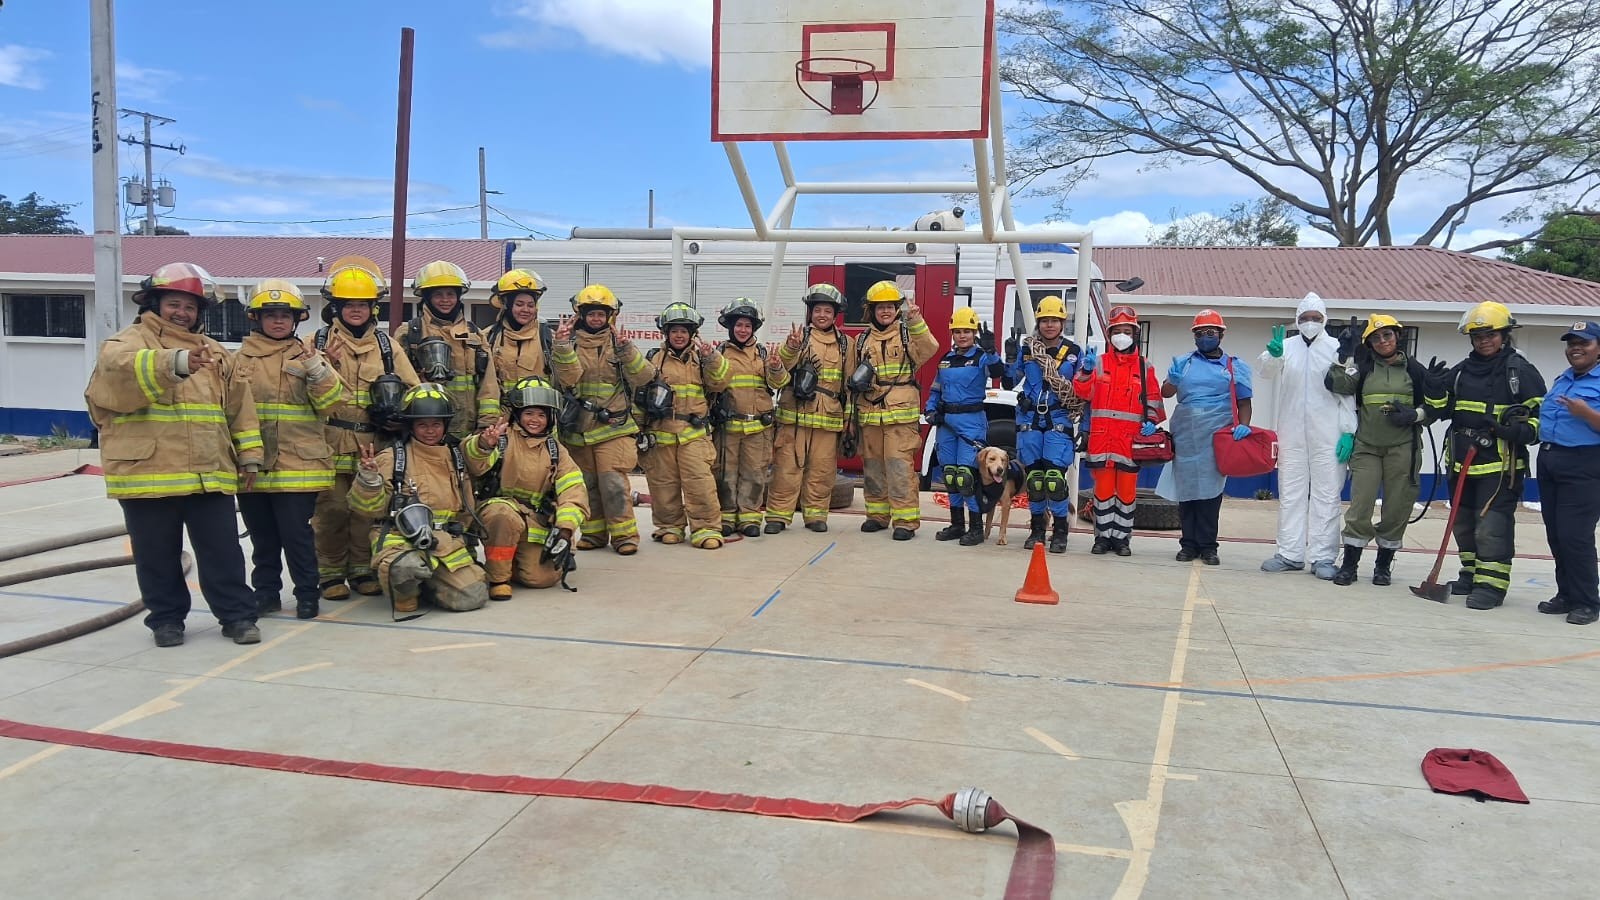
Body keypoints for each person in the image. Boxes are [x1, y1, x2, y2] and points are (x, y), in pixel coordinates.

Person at [84, 262, 264, 647]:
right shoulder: (125, 343)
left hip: (208, 471)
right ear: (155, 302)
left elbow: (238, 407)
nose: (183, 313)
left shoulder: (215, 353)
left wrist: (249, 455)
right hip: (148, 472)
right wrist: (175, 362)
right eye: (175, 303)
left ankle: (237, 617)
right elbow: (117, 372)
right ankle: (166, 621)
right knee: (156, 555)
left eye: (191, 307)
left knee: (224, 552)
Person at [235, 280, 349, 620]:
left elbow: (332, 405)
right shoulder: (236, 360)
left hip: (298, 464)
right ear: (257, 318)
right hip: (252, 464)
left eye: (285, 314)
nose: (278, 321)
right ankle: (266, 593)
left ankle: (307, 595)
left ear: (296, 319)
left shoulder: (311, 357)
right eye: (270, 315)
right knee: (262, 539)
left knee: (297, 537)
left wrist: (318, 369)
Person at [309, 257, 420, 602]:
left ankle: (360, 570)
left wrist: (400, 416)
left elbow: (412, 388)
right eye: (348, 305)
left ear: (373, 308)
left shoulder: (388, 347)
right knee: (330, 511)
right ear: (336, 307)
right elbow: (300, 390)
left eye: (362, 305)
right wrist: (323, 362)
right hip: (328, 440)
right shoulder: (317, 339)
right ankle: (329, 574)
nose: (355, 311)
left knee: (365, 511)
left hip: (373, 444)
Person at [1423, 301, 1546, 611]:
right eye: (1478, 336)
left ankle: (1491, 586)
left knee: (1491, 526)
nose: (1484, 341)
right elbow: (1438, 410)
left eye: (1490, 335)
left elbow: (1541, 421)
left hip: (1501, 467)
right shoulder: (1461, 372)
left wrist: (1511, 432)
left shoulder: (1521, 372)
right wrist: (1434, 388)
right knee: (1463, 525)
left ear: (1504, 336)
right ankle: (1472, 574)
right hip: (1461, 463)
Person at [347, 384, 489, 613]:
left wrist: (485, 444)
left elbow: (477, 458)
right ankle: (406, 591)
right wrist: (369, 478)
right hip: (400, 539)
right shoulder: (392, 458)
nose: (430, 431)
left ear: (445, 425)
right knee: (405, 570)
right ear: (411, 426)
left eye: (436, 424)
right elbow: (367, 508)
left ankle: (431, 585)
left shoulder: (456, 457)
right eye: (422, 425)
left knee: (473, 598)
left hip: (445, 540)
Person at [1324, 314, 1431, 586]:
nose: (1383, 341)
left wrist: (1414, 415)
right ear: (1369, 343)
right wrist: (1344, 354)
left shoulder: (1414, 370)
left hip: (1402, 449)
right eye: (1376, 337)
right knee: (1360, 508)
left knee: (1397, 508)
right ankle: (1349, 565)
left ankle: (1383, 566)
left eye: (1387, 335)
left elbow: (1436, 408)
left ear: (1398, 336)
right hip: (1367, 447)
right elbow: (1337, 384)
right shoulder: (1363, 367)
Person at [550, 284, 655, 554]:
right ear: (581, 315)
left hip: (614, 428)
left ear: (610, 316)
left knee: (612, 483)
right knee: (587, 484)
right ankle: (594, 534)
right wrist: (561, 347)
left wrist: (628, 352)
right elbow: (568, 379)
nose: (596, 319)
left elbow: (645, 377)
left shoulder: (620, 345)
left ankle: (624, 537)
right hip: (578, 429)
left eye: (601, 314)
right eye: (591, 314)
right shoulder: (568, 343)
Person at [1257, 293, 1355, 579]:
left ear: (1324, 320)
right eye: (1304, 318)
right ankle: (1289, 553)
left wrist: (1348, 432)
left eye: (1315, 318)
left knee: (1327, 495)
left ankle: (1323, 557)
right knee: (1291, 494)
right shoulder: (1285, 346)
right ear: (1297, 320)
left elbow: (1347, 394)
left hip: (1329, 434)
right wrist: (1273, 356)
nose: (1310, 323)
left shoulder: (1337, 349)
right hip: (1292, 435)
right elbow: (1265, 372)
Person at [467, 377, 588, 600]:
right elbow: (472, 461)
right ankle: (498, 579)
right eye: (529, 413)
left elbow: (574, 490)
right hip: (499, 511)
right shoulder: (501, 438)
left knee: (539, 579)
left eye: (541, 415)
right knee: (502, 515)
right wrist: (484, 445)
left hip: (534, 520)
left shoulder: (555, 449)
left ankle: (513, 559)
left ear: (550, 418)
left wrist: (565, 529)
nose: (535, 420)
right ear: (518, 414)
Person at [1162, 309, 1254, 566]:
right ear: (1194, 337)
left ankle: (1209, 547)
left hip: (1217, 437)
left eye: (1210, 332)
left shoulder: (1234, 366)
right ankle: (1188, 545)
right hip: (1185, 435)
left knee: (1211, 495)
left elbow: (1244, 402)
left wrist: (1243, 426)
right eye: (1200, 333)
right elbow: (1165, 393)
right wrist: (1173, 379)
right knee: (1187, 492)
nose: (1205, 337)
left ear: (1221, 335)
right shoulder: (1184, 362)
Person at [1071, 305, 1165, 556]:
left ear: (1134, 334)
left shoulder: (1146, 368)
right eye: (1117, 331)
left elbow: (1154, 400)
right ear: (1110, 334)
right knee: (1102, 493)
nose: (1121, 336)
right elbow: (1083, 392)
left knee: (1126, 494)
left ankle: (1122, 540)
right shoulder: (1098, 363)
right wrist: (1087, 371)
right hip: (1102, 441)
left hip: (1129, 442)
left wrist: (1151, 422)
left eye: (1127, 331)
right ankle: (1101, 538)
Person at [638, 303, 733, 549]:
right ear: (666, 333)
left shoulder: (702, 358)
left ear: (692, 334)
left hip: (694, 435)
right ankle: (669, 527)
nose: (679, 336)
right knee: (663, 484)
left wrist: (710, 357)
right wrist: (637, 431)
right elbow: (640, 395)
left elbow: (721, 382)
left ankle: (707, 529)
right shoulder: (653, 359)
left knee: (700, 483)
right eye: (674, 331)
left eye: (684, 331)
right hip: (661, 434)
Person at [851, 281, 940, 540]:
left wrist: (916, 321)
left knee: (899, 469)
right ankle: (877, 516)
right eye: (881, 308)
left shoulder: (906, 334)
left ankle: (905, 521)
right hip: (869, 414)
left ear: (897, 310)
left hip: (900, 416)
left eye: (890, 307)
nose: (886, 312)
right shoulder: (862, 340)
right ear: (872, 311)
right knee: (873, 468)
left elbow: (929, 348)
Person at [767, 284, 856, 533]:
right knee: (786, 468)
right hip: (794, 417)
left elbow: (849, 385)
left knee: (823, 470)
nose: (822, 315)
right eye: (817, 310)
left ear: (835, 314)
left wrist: (849, 420)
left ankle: (816, 516)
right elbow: (780, 375)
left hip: (829, 417)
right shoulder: (798, 338)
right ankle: (778, 516)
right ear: (810, 312)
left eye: (827, 310)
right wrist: (790, 348)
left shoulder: (845, 345)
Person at [1006, 295, 1082, 553]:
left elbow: (1083, 391)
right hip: (1030, 420)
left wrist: (1090, 374)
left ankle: (1060, 532)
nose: (1049, 325)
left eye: (1054, 320)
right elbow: (1009, 381)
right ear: (1038, 323)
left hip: (1059, 419)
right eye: (1045, 320)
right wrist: (1005, 357)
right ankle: (1037, 529)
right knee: (1036, 480)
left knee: (1054, 480)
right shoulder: (1028, 350)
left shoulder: (1073, 353)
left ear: (1062, 323)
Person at [1536, 320, 1600, 625]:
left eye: (1584, 343)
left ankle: (1588, 601)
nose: (1576, 348)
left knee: (1576, 536)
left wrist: (1586, 413)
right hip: (1550, 459)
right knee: (1557, 534)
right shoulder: (1564, 378)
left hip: (1584, 462)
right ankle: (1566, 595)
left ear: (1598, 349)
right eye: (1571, 343)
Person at [394, 260, 501, 440]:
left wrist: (486, 424)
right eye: (438, 294)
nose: (445, 300)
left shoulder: (474, 334)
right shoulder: (409, 333)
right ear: (427, 297)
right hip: (427, 432)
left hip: (470, 431)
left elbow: (488, 383)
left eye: (451, 294)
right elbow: (399, 382)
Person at [927, 308, 1004, 545]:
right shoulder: (946, 360)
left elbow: (999, 373)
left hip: (971, 423)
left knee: (966, 477)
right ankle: (957, 525)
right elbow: (936, 389)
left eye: (967, 332)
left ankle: (976, 528)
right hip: (947, 423)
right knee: (950, 476)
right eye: (958, 331)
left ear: (974, 333)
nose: (962, 336)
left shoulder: (981, 357)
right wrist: (931, 409)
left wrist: (992, 351)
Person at [713, 298, 787, 538]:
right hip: (729, 429)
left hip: (758, 428)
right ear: (730, 327)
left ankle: (750, 518)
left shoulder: (764, 353)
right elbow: (711, 384)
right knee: (725, 474)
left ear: (753, 328)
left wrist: (776, 367)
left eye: (747, 326)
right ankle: (726, 517)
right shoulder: (720, 353)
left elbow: (778, 383)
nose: (743, 330)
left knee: (755, 474)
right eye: (739, 325)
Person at [485, 269, 553, 383]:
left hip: (537, 401)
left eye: (530, 305)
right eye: (519, 304)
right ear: (506, 305)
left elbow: (569, 380)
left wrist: (563, 346)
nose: (525, 310)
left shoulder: (547, 337)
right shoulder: (488, 336)